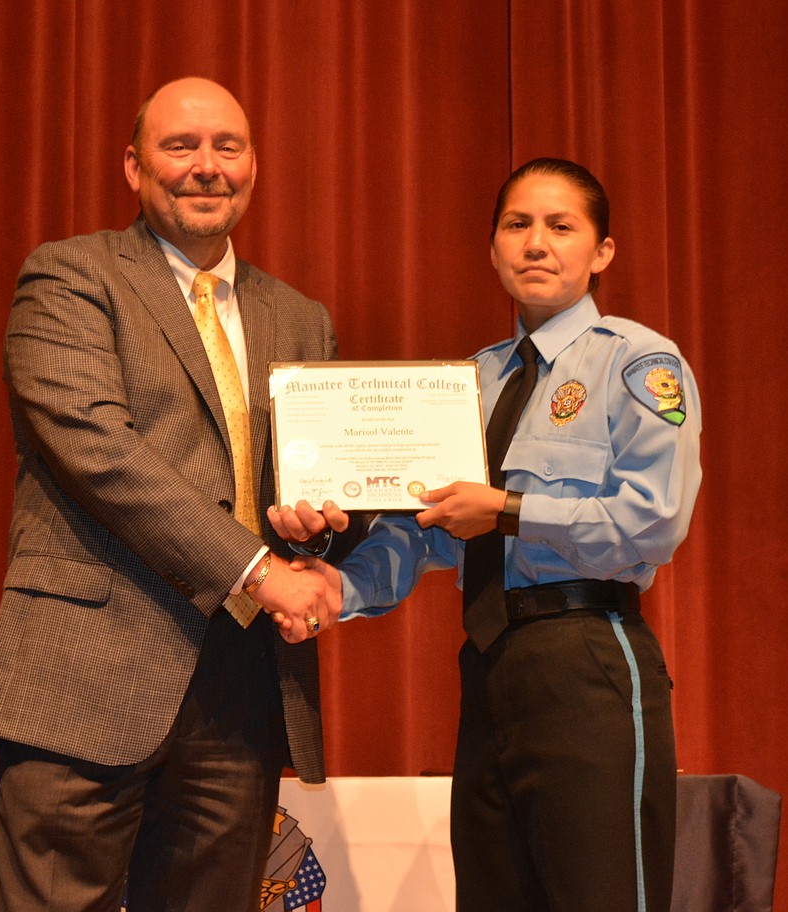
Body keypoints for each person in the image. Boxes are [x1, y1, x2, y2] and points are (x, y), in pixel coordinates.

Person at [270, 158, 702, 912]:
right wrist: (341, 585)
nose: (536, 243)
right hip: (490, 669)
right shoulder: (470, 380)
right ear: (493, 248)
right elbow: (429, 532)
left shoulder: (636, 360)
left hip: (591, 658)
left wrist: (507, 511)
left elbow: (653, 520)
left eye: (560, 226)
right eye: (517, 224)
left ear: (601, 251)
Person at [0, 76, 348, 912]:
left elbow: (319, 486)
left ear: (254, 167)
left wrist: (319, 535)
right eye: (181, 147)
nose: (206, 167)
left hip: (242, 691)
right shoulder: (70, 278)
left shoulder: (301, 318)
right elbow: (101, 452)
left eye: (227, 148)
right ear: (134, 167)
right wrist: (259, 569)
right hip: (87, 678)